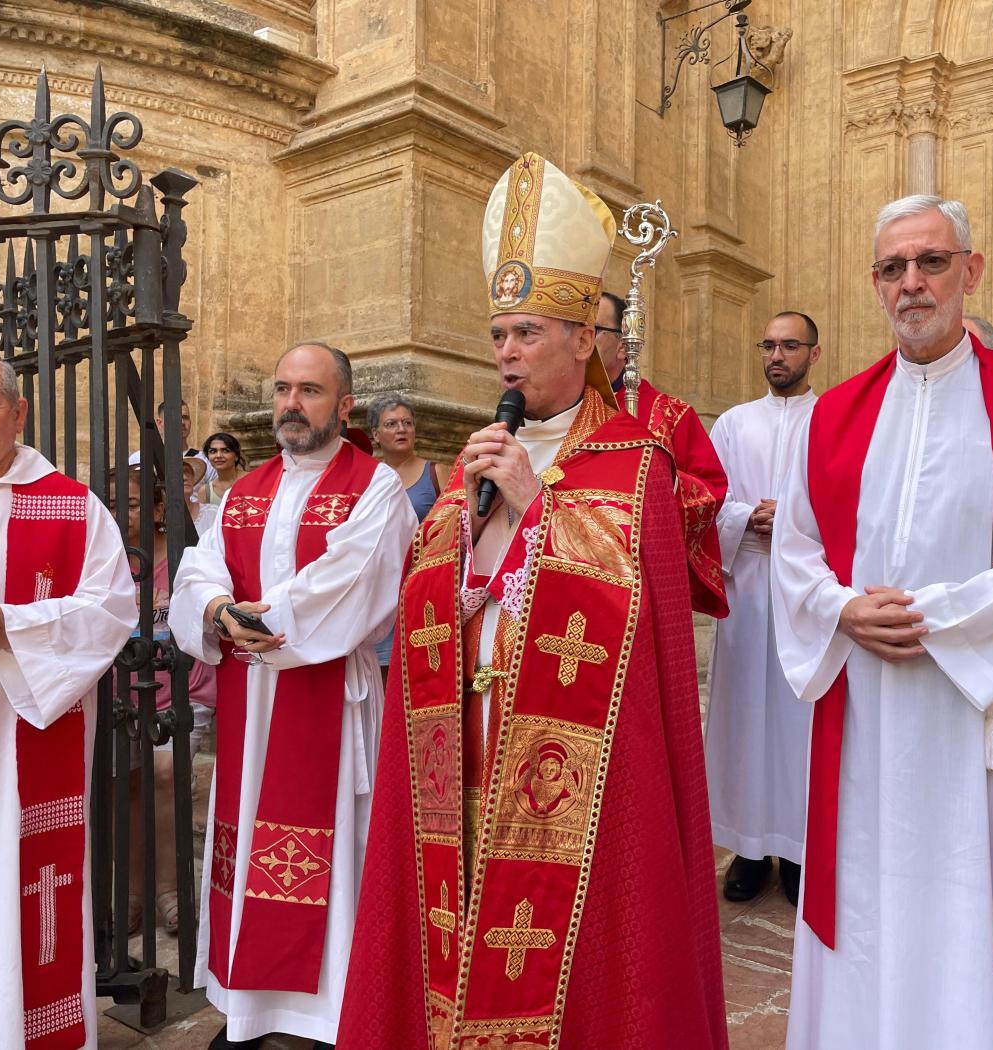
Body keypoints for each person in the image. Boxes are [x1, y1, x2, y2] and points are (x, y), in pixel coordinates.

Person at [337, 152, 727, 1050]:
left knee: (587, 958)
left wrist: (536, 504)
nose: (508, 351)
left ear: (584, 341)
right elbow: (427, 595)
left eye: (529, 333)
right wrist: (461, 565)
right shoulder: (480, 453)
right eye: (500, 333)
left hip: (578, 776)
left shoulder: (637, 462)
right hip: (465, 744)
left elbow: (638, 618)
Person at [771, 195, 993, 1049]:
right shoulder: (829, 415)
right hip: (868, 707)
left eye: (931, 262)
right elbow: (795, 551)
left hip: (981, 703)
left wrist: (930, 620)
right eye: (892, 268)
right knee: (872, 886)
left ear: (972, 270)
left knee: (973, 885)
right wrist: (844, 608)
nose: (911, 283)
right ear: (876, 286)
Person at [168, 342, 414, 1050]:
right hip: (252, 699)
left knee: (327, 860)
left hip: (324, 698)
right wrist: (217, 612)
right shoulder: (245, 490)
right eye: (281, 389)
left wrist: (255, 621)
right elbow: (197, 570)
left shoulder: (374, 488)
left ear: (343, 405)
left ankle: (324, 1015)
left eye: (308, 391)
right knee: (244, 851)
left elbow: (354, 584)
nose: (289, 404)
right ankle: (247, 1010)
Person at [0, 350, 137, 1050]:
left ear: (17, 412)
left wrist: (4, 627)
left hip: (15, 758)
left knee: (5, 900)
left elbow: (112, 613)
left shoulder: (73, 506)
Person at [706, 310, 821, 906]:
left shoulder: (831, 419)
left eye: (789, 346)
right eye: (768, 345)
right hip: (748, 586)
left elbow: (848, 501)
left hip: (808, 592)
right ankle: (749, 848)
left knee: (801, 720)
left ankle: (801, 851)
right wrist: (746, 517)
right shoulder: (732, 424)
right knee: (745, 716)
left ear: (814, 354)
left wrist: (797, 522)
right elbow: (706, 497)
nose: (776, 356)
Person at [115, 471, 216, 938]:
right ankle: (134, 891)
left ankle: (171, 890)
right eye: (115, 502)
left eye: (134, 503)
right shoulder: (106, 560)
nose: (123, 512)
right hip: (121, 693)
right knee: (132, 781)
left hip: (180, 691)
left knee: (164, 774)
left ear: (157, 510)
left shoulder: (183, 562)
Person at [594, 289, 729, 616]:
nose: (579, 340)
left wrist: (659, 479)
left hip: (645, 583)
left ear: (625, 346)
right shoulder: (560, 414)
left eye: (594, 330)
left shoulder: (671, 415)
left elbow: (711, 492)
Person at [368, 394, 440, 677]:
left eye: (407, 423)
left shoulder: (436, 473)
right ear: (375, 434)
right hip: (379, 593)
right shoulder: (368, 479)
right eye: (391, 424)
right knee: (380, 676)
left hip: (422, 592)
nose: (401, 429)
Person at [130, 399, 215, 482]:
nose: (182, 422)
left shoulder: (205, 461)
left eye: (185, 417)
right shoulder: (138, 458)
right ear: (160, 423)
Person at [202, 431, 247, 506]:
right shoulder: (206, 492)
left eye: (226, 451)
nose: (218, 455)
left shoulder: (252, 479)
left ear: (236, 456)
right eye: (213, 451)